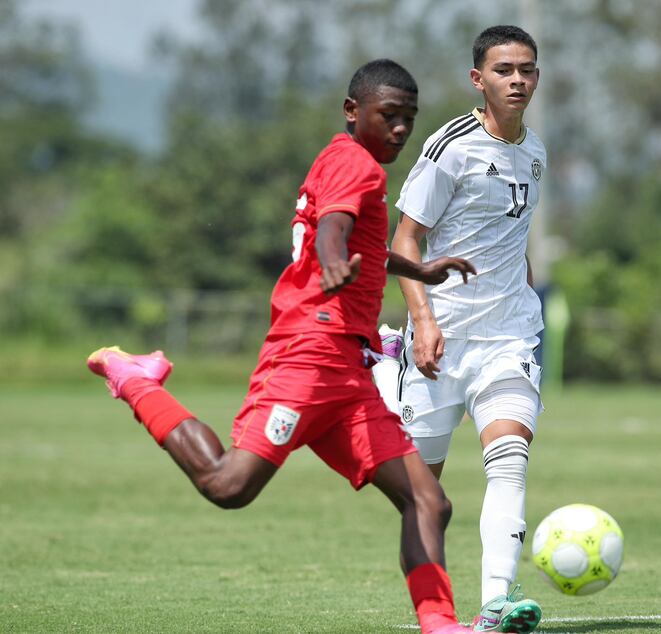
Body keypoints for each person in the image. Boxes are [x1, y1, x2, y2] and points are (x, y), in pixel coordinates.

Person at [87, 60, 481, 634]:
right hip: (310, 354)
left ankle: (440, 624)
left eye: (409, 119)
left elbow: (354, 237)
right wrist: (332, 264)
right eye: (389, 115)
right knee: (228, 485)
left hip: (348, 371)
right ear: (353, 111)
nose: (400, 129)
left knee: (428, 501)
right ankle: (136, 381)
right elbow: (334, 231)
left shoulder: (344, 161)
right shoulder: (355, 164)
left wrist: (417, 269)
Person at [372, 25, 547, 633]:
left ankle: (496, 604)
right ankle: (385, 374)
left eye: (526, 69)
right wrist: (422, 321)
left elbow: (513, 239)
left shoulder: (536, 152)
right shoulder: (451, 146)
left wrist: (521, 291)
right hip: (441, 339)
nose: (517, 80)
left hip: (509, 337)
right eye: (504, 70)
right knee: (422, 495)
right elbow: (405, 239)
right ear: (478, 79)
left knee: (510, 457)